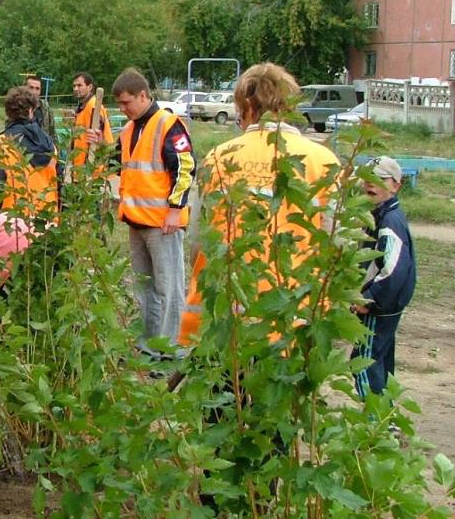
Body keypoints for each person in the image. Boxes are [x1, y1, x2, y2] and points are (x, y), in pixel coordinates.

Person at [176, 62, 339, 347]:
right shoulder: (323, 162)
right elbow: (337, 246)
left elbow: (198, 240)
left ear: (246, 105)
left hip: (224, 322)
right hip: (292, 324)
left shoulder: (219, 158)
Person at [99, 68, 195, 358]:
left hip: (163, 224)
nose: (123, 109)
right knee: (144, 289)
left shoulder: (168, 125)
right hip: (136, 222)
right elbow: (115, 164)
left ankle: (169, 352)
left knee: (168, 290)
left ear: (143, 95)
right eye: (119, 104)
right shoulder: (128, 130)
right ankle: (148, 348)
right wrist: (98, 148)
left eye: (126, 102)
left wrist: (176, 210)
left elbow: (185, 168)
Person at [352, 156, 416, 400]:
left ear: (396, 186)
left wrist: (369, 299)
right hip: (385, 305)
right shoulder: (378, 215)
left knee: (363, 361)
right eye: (367, 178)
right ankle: (386, 423)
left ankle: (374, 425)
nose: (371, 184)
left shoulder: (389, 221)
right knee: (381, 362)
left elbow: (394, 268)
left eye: (380, 179)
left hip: (379, 307)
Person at [0, 86, 62, 217]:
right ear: (31, 111)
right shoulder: (50, 146)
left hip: (13, 225)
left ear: (8, 112)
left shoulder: (3, 144)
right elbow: (59, 186)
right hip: (46, 222)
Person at [71, 71, 113, 173]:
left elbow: (96, 139)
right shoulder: (83, 106)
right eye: (74, 86)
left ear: (90, 87)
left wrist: (88, 170)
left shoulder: (93, 106)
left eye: (80, 85)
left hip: (90, 170)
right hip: (80, 168)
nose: (76, 89)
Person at [25, 75, 55, 144]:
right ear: (24, 89)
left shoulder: (45, 107)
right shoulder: (17, 107)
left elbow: (52, 132)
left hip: (44, 149)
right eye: (31, 88)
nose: (34, 91)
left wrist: (56, 152)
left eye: (37, 88)